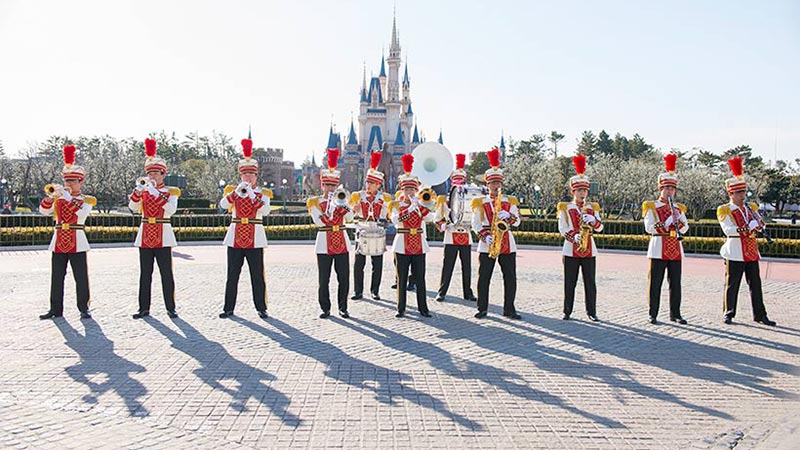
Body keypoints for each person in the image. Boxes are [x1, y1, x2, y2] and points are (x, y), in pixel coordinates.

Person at [39, 145, 96, 320]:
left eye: (72, 181)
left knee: (80, 276)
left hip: (77, 239)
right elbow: (43, 211)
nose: (68, 185)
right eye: (67, 181)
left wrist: (69, 198)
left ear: (80, 183)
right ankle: (55, 309)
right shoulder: (59, 198)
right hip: (58, 240)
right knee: (57, 277)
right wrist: (50, 198)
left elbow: (81, 214)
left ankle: (83, 307)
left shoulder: (85, 200)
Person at [718, 157, 775, 326]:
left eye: (744, 192)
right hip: (735, 250)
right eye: (739, 193)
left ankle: (760, 314)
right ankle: (728, 312)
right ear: (731, 194)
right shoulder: (725, 209)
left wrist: (758, 225)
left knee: (755, 284)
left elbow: (757, 225)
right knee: (732, 284)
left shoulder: (751, 208)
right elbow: (728, 229)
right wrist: (747, 227)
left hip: (751, 249)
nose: (743, 196)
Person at [218, 138, 272, 319]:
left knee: (257, 275)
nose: (248, 178)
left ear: (256, 176)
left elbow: (265, 210)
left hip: (255, 236)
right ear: (241, 176)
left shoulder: (262, 194)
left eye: (251, 175)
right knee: (232, 274)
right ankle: (228, 308)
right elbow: (223, 205)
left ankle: (261, 307)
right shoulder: (233, 191)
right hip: (235, 236)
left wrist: (251, 195)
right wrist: (236, 192)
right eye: (245, 175)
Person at [129, 138, 181, 319]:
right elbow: (133, 208)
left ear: (163, 174)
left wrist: (155, 193)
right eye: (149, 173)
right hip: (145, 234)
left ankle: (171, 307)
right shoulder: (143, 190)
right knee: (145, 274)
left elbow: (171, 210)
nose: (152, 177)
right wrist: (137, 193)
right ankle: (144, 308)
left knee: (166, 273)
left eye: (155, 173)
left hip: (163, 234)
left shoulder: (170, 191)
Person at [473, 148, 521, 320]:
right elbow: (476, 224)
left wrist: (509, 216)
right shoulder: (480, 202)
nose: (496, 186)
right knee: (484, 278)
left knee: (510, 278)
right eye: (493, 183)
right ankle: (482, 308)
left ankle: (510, 308)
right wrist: (485, 237)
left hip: (507, 243)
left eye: (498, 183)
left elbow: (517, 222)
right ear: (487, 184)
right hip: (488, 243)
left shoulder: (509, 201)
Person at [307, 148, 354, 318]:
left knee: (344, 277)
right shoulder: (315, 202)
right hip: (324, 242)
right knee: (324, 279)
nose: (331, 188)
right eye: (328, 185)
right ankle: (325, 308)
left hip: (341, 240)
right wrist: (330, 209)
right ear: (323, 185)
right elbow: (319, 221)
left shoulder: (343, 200)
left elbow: (350, 218)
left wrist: (342, 206)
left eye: (333, 185)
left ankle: (343, 307)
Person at [642, 153, 689, 325]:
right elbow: (649, 227)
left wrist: (677, 222)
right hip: (658, 245)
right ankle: (652, 313)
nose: (669, 191)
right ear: (660, 189)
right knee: (655, 282)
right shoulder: (651, 206)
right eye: (666, 188)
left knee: (675, 283)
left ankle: (675, 313)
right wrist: (666, 222)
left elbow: (686, 226)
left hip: (675, 247)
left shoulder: (678, 207)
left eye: (672, 188)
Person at [557, 154, 603, 322]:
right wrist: (574, 236)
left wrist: (594, 221)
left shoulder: (592, 207)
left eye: (584, 191)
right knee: (570, 282)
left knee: (590, 282)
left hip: (589, 248)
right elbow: (562, 228)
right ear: (573, 192)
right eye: (579, 191)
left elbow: (600, 227)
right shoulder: (565, 207)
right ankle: (567, 310)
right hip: (571, 248)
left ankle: (592, 311)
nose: (582, 193)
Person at [390, 153, 435, 318]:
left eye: (412, 189)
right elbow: (396, 221)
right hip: (402, 243)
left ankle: (423, 308)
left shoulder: (420, 203)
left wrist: (421, 206)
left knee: (420, 278)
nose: (410, 192)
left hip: (419, 244)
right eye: (407, 189)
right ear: (402, 189)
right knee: (401, 278)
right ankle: (400, 308)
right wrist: (408, 209)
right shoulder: (396, 204)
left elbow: (431, 218)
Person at [434, 153, 477, 302]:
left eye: (461, 182)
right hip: (451, 236)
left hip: (465, 235)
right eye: (456, 182)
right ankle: (442, 291)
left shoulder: (471, 200)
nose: (459, 185)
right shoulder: (444, 200)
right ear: (452, 183)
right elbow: (436, 218)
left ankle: (468, 292)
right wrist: (443, 224)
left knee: (467, 267)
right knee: (448, 266)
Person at [350, 151, 391, 301]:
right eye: (368, 182)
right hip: (362, 228)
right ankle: (358, 291)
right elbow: (350, 213)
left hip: (377, 229)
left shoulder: (384, 198)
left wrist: (386, 214)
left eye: (372, 183)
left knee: (377, 263)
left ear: (378, 184)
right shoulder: (358, 196)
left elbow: (388, 214)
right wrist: (353, 210)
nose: (369, 185)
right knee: (359, 263)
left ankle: (375, 290)